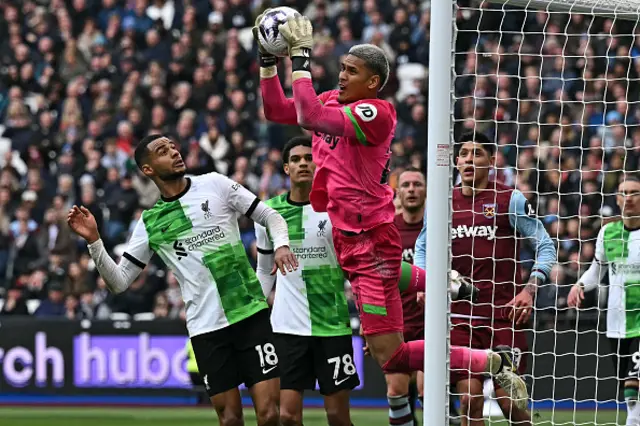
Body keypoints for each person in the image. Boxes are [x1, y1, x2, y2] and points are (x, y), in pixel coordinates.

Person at [255, 11, 526, 399]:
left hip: (369, 237)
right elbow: (279, 110)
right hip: (348, 234)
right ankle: (444, 282)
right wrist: (268, 61)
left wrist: (299, 56)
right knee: (388, 275)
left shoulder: (376, 113)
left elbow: (307, 114)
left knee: (392, 357)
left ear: (374, 82)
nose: (342, 76)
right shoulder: (335, 99)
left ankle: (494, 362)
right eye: (342, 68)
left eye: (351, 71)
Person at [67, 134, 299, 426]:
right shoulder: (150, 222)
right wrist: (95, 242)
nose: (174, 153)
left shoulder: (215, 183)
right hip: (206, 328)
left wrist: (281, 245)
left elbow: (271, 216)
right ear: (148, 169)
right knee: (229, 420)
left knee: (269, 415)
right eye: (163, 151)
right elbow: (119, 281)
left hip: (249, 314)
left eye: (174, 147)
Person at [415, 131, 555, 426]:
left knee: (511, 404)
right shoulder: (443, 202)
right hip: (460, 317)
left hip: (504, 316)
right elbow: (423, 247)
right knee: (469, 399)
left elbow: (544, 244)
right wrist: (425, 282)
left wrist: (530, 289)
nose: (468, 159)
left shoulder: (510, 199)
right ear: (455, 161)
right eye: (464, 153)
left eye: (476, 153)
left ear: (491, 161)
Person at [255, 136, 359, 426]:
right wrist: (255, 312)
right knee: (287, 416)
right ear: (286, 169)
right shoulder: (268, 214)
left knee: (338, 416)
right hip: (287, 328)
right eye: (296, 160)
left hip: (332, 325)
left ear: (319, 164)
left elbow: (355, 266)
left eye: (309, 158)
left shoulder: (337, 209)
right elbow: (264, 271)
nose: (303, 163)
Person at [568, 175, 640, 426]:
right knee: (629, 392)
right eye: (624, 192)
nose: (629, 197)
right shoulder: (608, 233)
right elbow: (597, 272)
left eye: (634, 192)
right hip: (616, 323)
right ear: (617, 199)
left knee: (633, 387)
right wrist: (579, 285)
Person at [388, 167, 426, 426]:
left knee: (428, 392)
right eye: (406, 185)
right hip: (397, 325)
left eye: (417, 184)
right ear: (398, 193)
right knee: (396, 393)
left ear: (427, 190)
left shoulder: (440, 227)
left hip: (432, 325)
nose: (412, 189)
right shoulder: (388, 229)